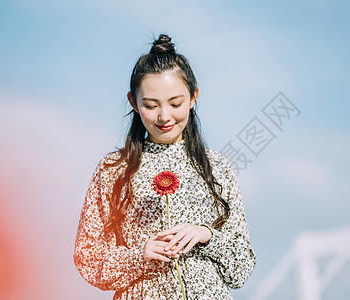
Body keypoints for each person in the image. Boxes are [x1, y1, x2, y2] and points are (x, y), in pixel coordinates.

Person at [73, 34, 256, 300]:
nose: (164, 116)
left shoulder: (217, 167)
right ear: (133, 102)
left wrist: (206, 235)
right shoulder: (113, 169)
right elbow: (87, 258)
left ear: (194, 97)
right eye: (151, 105)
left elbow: (242, 268)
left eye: (175, 103)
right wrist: (139, 255)